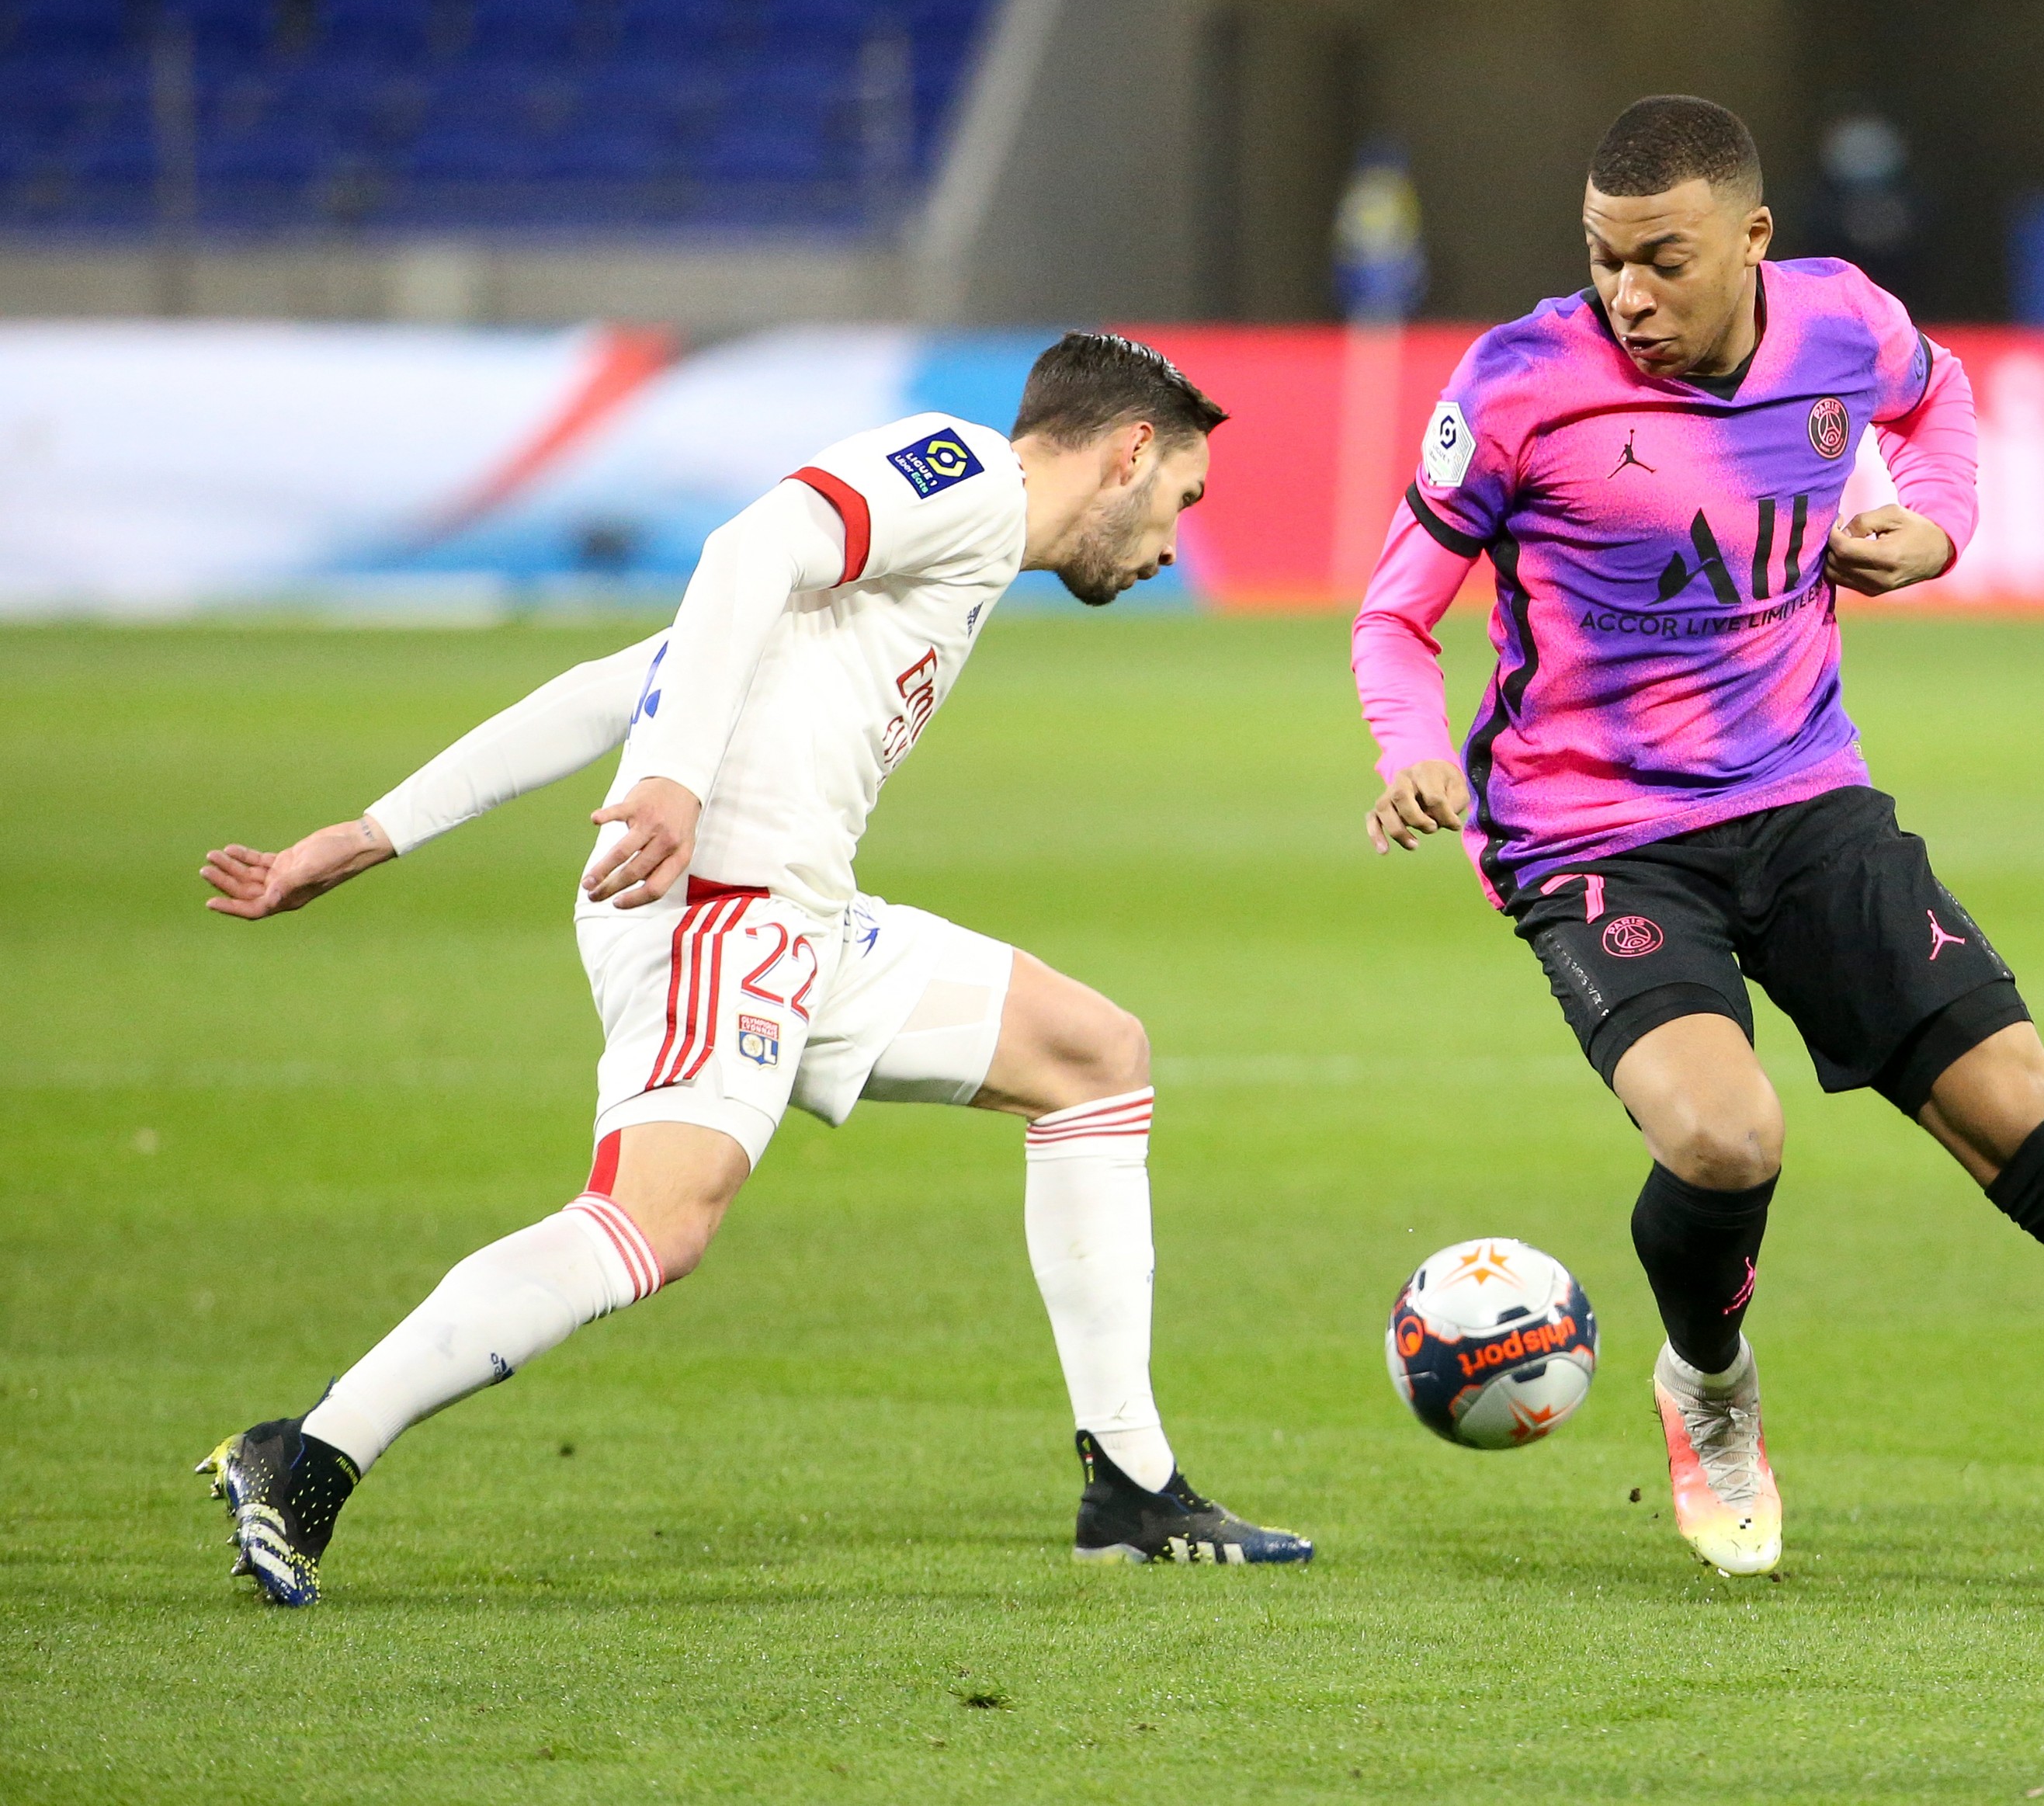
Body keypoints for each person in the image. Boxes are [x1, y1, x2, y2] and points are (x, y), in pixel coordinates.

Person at [1351, 96, 2044, 1613]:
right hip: (1592, 832)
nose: (1627, 296)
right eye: (1602, 260)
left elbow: (1940, 408)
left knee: (2042, 1131)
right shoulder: (1522, 379)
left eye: (1659, 259)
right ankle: (1708, 1387)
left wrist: (1931, 530)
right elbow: (1392, 614)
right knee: (1726, 1140)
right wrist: (1408, 748)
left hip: (1805, 801)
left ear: (1751, 239)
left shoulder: (1841, 328)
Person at [198, 332, 1310, 1605]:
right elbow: (743, 547)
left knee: (1095, 1057)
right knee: (656, 1221)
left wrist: (373, 828)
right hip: (717, 903)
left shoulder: (965, 548)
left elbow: (629, 674)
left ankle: (1131, 1485)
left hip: (804, 915)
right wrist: (671, 775)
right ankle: (310, 1453)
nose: (1174, 539)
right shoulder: (953, 473)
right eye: (1183, 496)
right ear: (1128, 453)